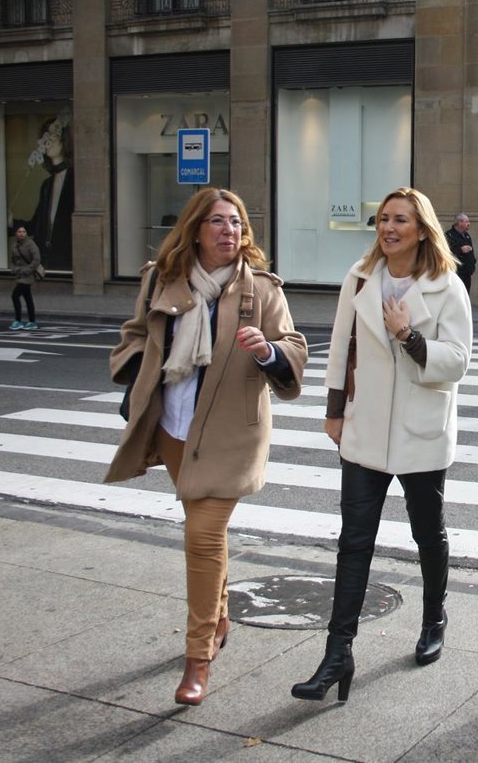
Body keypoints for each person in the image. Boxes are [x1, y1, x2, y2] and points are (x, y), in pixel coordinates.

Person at [105, 188, 309, 706]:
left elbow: (293, 346)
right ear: (195, 228)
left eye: (237, 223)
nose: (229, 232)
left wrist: (268, 350)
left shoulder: (260, 289)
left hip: (231, 434)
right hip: (174, 431)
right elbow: (132, 336)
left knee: (201, 537)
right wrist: (142, 365)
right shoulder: (161, 279)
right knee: (206, 537)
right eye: (218, 222)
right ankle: (218, 617)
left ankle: (198, 657)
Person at [293, 187, 472, 702]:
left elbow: (458, 360)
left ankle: (434, 615)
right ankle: (337, 653)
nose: (389, 228)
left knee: (426, 533)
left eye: (401, 220)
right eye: (383, 219)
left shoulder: (445, 286)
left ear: (421, 230)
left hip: (421, 428)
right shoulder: (360, 277)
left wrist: (409, 337)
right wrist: (332, 412)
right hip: (365, 425)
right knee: (354, 542)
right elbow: (340, 347)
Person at [28, 114, 75, 271]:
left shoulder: (74, 179)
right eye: (45, 138)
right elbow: (37, 224)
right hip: (46, 258)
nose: (47, 143)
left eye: (52, 137)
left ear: (63, 141)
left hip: (66, 256)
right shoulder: (47, 185)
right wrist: (10, 224)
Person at [8, 223, 42, 331]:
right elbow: (12, 260)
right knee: (28, 298)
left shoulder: (30, 244)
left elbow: (36, 259)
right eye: (19, 232)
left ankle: (18, 320)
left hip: (28, 275)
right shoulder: (14, 245)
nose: (22, 234)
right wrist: (14, 269)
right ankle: (32, 321)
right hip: (19, 274)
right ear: (16, 233)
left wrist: (27, 270)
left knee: (15, 295)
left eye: (24, 232)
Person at [445, 213, 476, 293]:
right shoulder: (449, 235)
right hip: (456, 272)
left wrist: (472, 266)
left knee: (465, 294)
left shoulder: (467, 236)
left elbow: (471, 253)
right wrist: (460, 250)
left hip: (467, 272)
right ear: (459, 223)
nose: (469, 224)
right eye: (466, 221)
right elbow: (446, 252)